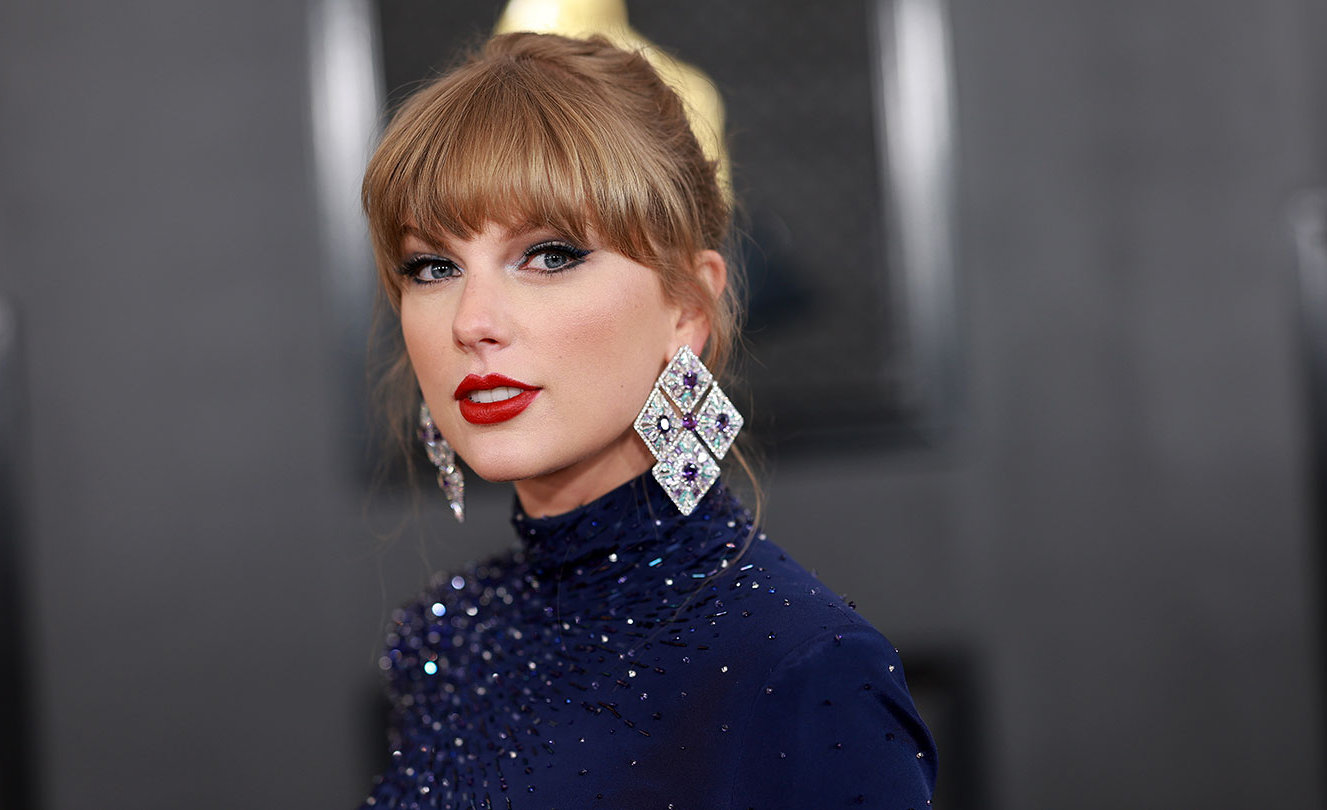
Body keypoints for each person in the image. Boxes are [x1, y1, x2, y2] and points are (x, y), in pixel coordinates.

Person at [358, 32, 937, 809]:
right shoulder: (445, 638)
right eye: (433, 267)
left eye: (550, 254)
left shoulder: (804, 668)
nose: (472, 321)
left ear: (687, 309)